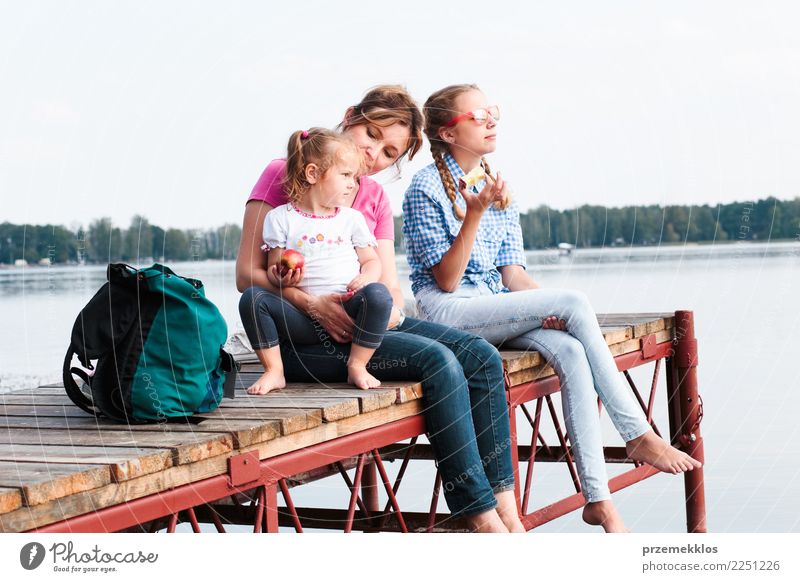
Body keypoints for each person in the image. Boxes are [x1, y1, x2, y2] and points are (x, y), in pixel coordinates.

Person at [402, 83, 703, 533]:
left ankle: (598, 499)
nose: (490, 121)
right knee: (574, 301)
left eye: (492, 112)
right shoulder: (424, 188)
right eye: (478, 115)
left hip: (493, 305)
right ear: (446, 132)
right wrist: (474, 216)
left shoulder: (496, 185)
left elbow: (514, 277)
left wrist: (553, 311)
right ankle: (638, 435)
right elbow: (445, 281)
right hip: (447, 312)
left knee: (571, 348)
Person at [236, 86, 525, 532]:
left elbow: (387, 280)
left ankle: (505, 506)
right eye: (371, 134)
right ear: (349, 116)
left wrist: (380, 307)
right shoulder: (288, 172)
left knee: (482, 358)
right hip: (303, 335)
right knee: (437, 361)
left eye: (389, 153)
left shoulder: (370, 198)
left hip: (365, 323)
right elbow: (247, 276)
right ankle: (479, 513)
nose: (373, 155)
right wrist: (312, 304)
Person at [245, 128, 392, 392]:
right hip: (301, 317)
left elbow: (373, 261)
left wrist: (367, 277)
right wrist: (282, 277)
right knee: (253, 299)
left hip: (348, 309)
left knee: (379, 295)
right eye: (346, 175)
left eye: (354, 177)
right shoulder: (280, 218)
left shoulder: (351, 219)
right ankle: (275, 370)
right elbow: (272, 269)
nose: (352, 184)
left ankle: (357, 365)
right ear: (313, 173)